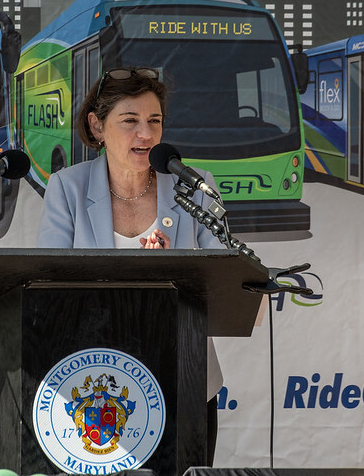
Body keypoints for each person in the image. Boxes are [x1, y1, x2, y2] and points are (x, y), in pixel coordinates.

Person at [37, 66, 224, 464]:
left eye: (154, 121)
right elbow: (49, 291)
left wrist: (173, 270)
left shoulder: (195, 184)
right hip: (95, 387)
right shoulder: (67, 188)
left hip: (185, 375)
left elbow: (227, 275)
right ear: (97, 126)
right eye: (130, 121)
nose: (146, 134)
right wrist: (141, 272)